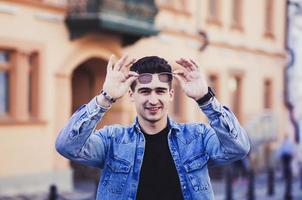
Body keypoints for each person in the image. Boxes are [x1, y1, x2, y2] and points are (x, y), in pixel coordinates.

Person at [55, 55, 250, 200]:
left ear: (171, 94)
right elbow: (67, 146)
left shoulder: (197, 137)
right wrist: (105, 98)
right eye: (145, 91)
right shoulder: (112, 140)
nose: (153, 100)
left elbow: (238, 147)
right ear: (132, 95)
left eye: (160, 91)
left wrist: (206, 99)